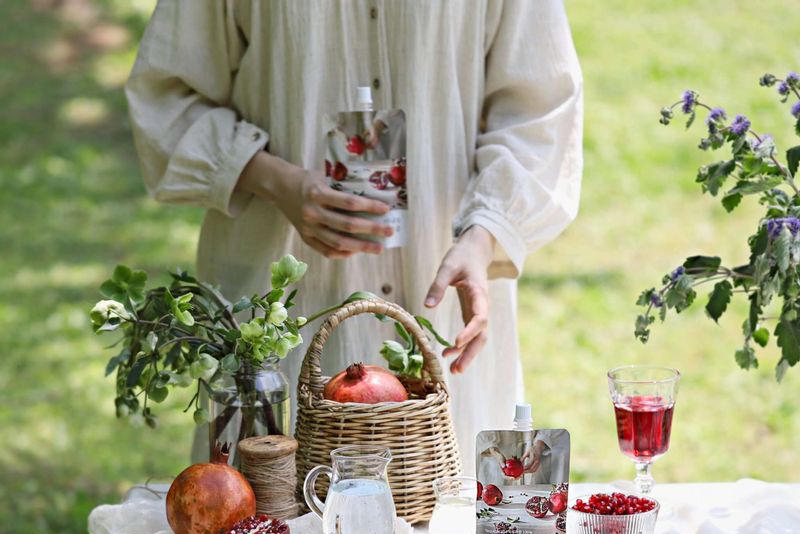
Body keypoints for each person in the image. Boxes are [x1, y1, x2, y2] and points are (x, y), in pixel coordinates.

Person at [125, 0, 583, 471]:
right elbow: (167, 95)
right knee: (264, 502)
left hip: (443, 298)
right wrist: (276, 181)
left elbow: (542, 105)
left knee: (453, 506)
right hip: (283, 303)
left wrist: (483, 235)